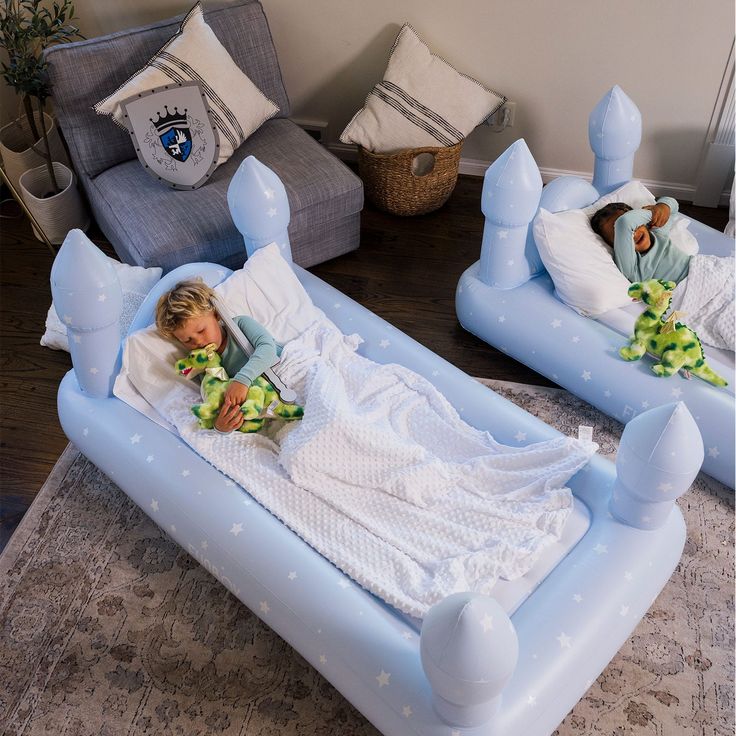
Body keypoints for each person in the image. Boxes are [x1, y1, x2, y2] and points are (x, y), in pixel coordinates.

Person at [156, 279, 280, 433]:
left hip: (283, 370)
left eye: (201, 331)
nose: (199, 342)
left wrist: (242, 380)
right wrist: (220, 426)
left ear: (216, 314)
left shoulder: (240, 325)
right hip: (269, 399)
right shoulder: (207, 366)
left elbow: (269, 349)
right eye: (188, 340)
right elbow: (215, 398)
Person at [590, 196, 690, 283]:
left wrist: (661, 208)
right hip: (685, 293)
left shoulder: (658, 234)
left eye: (635, 225)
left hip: (697, 269)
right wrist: (651, 214)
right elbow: (625, 222)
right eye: (621, 235)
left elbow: (673, 206)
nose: (633, 234)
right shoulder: (630, 266)